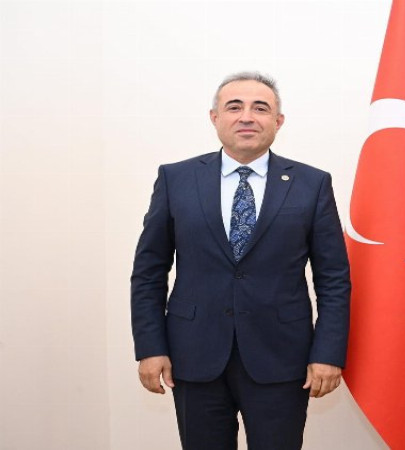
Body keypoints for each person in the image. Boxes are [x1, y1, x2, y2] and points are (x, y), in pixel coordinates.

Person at [130, 71, 351, 450]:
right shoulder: (176, 178)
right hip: (193, 355)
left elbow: (333, 279)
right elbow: (148, 272)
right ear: (215, 117)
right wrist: (151, 347)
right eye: (234, 107)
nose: (247, 117)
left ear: (278, 121)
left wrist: (328, 353)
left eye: (260, 108)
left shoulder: (312, 184)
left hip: (282, 358)